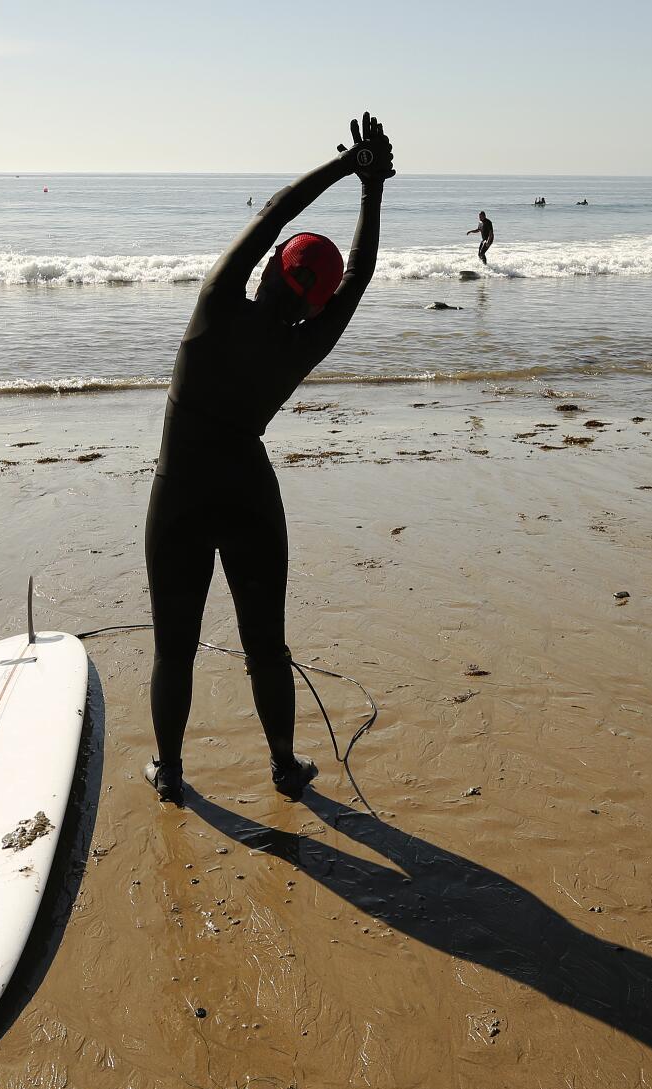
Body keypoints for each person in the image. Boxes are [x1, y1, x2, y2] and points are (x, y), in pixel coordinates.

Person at [142, 112, 395, 805]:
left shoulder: (215, 307)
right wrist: (374, 193)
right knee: (266, 647)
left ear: (271, 270)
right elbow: (361, 275)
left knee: (175, 647)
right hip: (248, 495)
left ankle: (169, 771)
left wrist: (350, 165)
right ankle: (284, 767)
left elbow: (279, 206)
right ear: (311, 300)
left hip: (182, 493)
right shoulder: (301, 344)